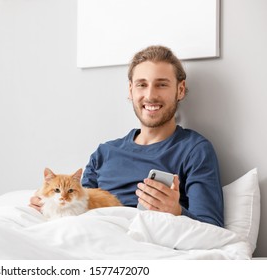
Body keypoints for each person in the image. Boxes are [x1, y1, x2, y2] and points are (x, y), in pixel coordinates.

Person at [30, 45, 224, 227]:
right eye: (142, 85)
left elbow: (211, 228)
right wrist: (46, 206)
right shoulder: (105, 153)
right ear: (130, 90)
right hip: (92, 236)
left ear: (180, 90)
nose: (150, 95)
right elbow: (79, 209)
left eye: (162, 85)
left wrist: (176, 212)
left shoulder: (194, 150)